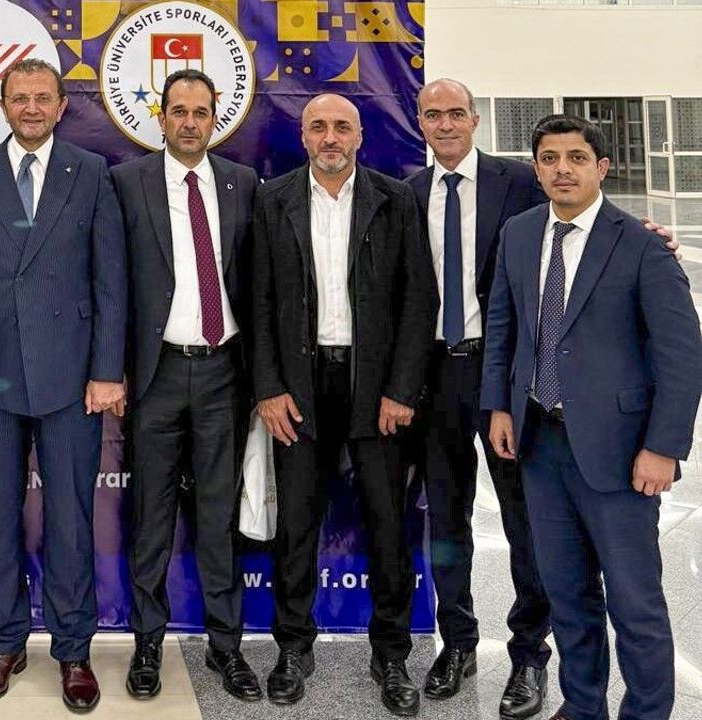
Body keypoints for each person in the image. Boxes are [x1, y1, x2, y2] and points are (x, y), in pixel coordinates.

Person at [483, 114, 702, 720]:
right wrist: (499, 404)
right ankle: (582, 707)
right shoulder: (520, 234)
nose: (563, 170)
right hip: (540, 444)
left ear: (601, 168)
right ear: (536, 169)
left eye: (577, 158)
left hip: (620, 451)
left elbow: (681, 354)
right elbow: (503, 326)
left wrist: (664, 447)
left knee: (634, 603)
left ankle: (646, 712)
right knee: (568, 595)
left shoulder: (641, 244)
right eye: (550, 159)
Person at [0, 58, 126, 712]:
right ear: (3, 103)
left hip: (72, 378)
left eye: (43, 97)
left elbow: (110, 279)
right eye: (20, 98)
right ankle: (6, 644)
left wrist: (107, 371)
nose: (31, 108)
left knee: (71, 520)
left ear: (61, 104)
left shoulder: (91, 171)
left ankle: (73, 649)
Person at [250, 93, 435, 717]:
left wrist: (402, 390)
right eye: (318, 127)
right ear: (303, 136)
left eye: (342, 127)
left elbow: (418, 300)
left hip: (375, 389)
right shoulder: (272, 199)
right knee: (296, 524)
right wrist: (268, 388)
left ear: (360, 136)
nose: (330, 137)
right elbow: (257, 300)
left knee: (387, 523)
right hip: (298, 389)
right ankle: (292, 648)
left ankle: (392, 654)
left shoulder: (395, 198)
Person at [110, 69, 261, 702]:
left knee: (218, 518)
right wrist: (111, 368)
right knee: (151, 516)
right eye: (179, 111)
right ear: (161, 117)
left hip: (225, 372)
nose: (191, 122)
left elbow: (257, 283)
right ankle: (147, 644)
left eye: (201, 112)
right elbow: (110, 283)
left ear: (215, 117)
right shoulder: (126, 183)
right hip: (157, 374)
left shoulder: (242, 183)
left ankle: (226, 647)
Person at [405, 78, 552, 718]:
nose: (445, 124)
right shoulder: (407, 193)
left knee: (524, 519)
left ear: (474, 120)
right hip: (435, 378)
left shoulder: (518, 183)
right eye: (432, 115)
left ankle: (529, 655)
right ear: (420, 122)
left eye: (455, 114)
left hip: (505, 377)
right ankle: (458, 642)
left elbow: (576, 220)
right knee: (447, 517)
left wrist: (646, 234)